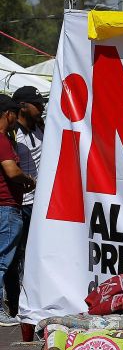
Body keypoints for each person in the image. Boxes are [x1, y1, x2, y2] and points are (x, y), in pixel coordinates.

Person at [5, 86, 45, 318]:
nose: (40, 109)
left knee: (32, 255)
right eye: (36, 105)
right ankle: (14, 302)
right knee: (15, 256)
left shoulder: (39, 127)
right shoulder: (13, 134)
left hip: (39, 204)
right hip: (22, 203)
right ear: (22, 106)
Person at [0, 95, 35, 326]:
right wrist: (29, 179)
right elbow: (11, 171)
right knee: (3, 261)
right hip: (7, 206)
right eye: (13, 114)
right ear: (8, 114)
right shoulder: (3, 141)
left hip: (4, 206)